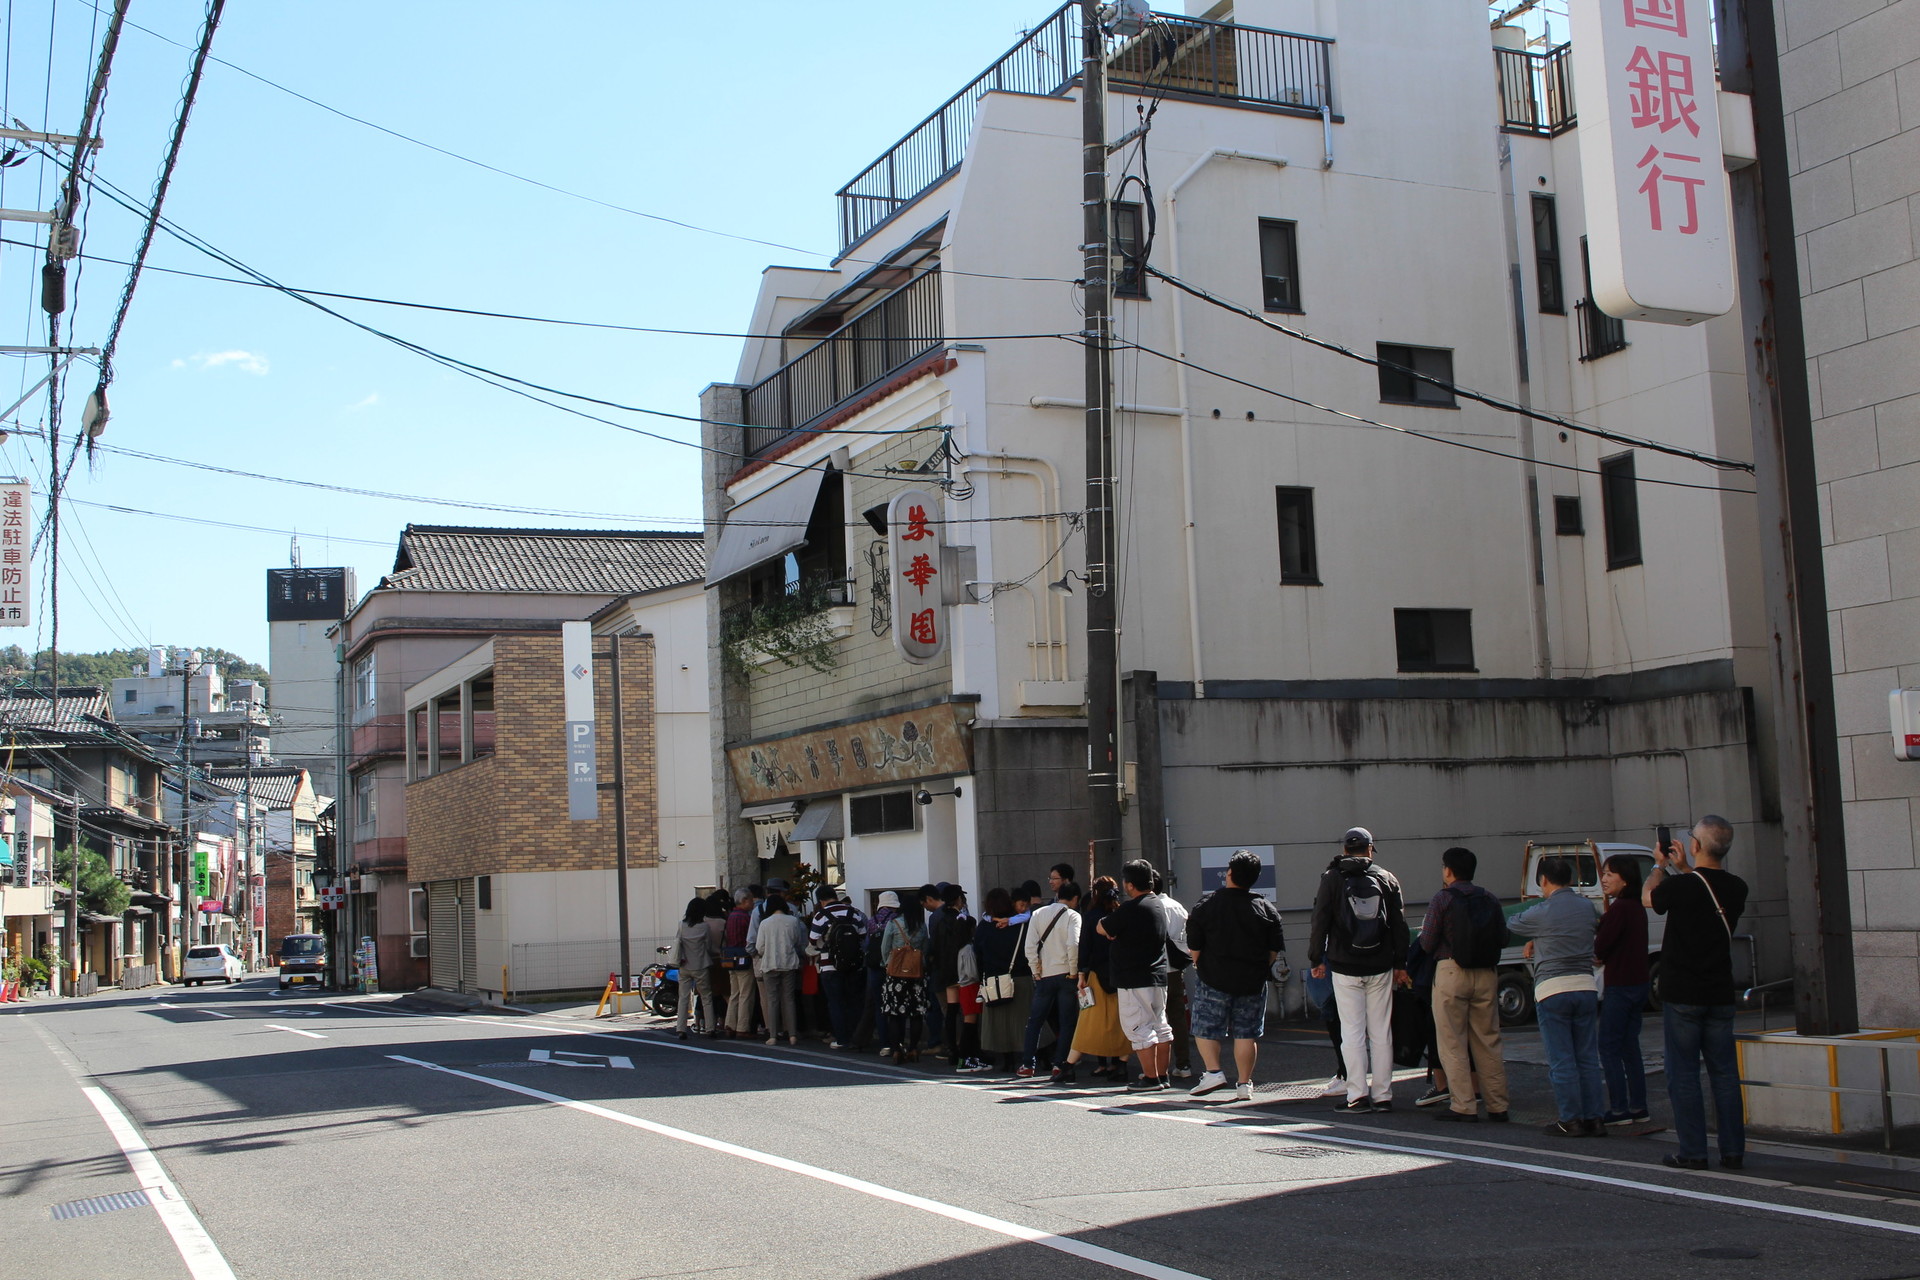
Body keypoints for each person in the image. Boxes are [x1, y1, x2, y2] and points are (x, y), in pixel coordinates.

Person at [1645, 815, 1749, 1171]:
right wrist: (1685, 868)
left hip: (1683, 991)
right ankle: (1733, 1151)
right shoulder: (1737, 887)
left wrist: (1660, 865)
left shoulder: (1681, 886)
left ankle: (1693, 1151)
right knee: (1724, 1074)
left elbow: (1650, 898)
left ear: (1696, 845)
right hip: (1719, 991)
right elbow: (1706, 890)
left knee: (1684, 1074)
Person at [1308, 827, 1411, 1113]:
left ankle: (1356, 1095)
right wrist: (1400, 963)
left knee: (1352, 1032)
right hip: (1380, 965)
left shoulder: (1331, 878)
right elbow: (1400, 926)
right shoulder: (1386, 878)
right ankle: (1383, 1095)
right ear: (1369, 849)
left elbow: (1320, 920)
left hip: (1343, 964)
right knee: (1380, 1032)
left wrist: (1316, 959)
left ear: (1344, 850)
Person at [1508, 856, 1606, 1137]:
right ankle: (1595, 1118)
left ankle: (1571, 1119)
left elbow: (1514, 923)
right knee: (1587, 1057)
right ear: (1571, 880)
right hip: (1586, 986)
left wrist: (1536, 934)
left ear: (1543, 881)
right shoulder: (1588, 907)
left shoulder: (1543, 911)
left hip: (1553, 989)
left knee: (1562, 1059)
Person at [1418, 846, 1511, 1123]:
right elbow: (1503, 937)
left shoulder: (1442, 899)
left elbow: (1427, 942)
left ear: (1448, 870)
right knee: (1488, 1040)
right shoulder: (1490, 898)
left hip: (1451, 972)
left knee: (1452, 1042)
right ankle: (1497, 1105)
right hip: (1486, 973)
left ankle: (1463, 1105)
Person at [1185, 849, 1285, 1103]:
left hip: (1214, 977)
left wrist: (1199, 965)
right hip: (1252, 980)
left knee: (1205, 1028)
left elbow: (1194, 947)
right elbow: (1273, 951)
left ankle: (1213, 1072)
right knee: (1246, 1033)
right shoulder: (1266, 908)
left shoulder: (1206, 905)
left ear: (1229, 873)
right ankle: (1244, 1084)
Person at [1099, 859, 1173, 1092]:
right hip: (1157, 975)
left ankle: (1150, 1078)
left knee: (1138, 1028)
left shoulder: (1133, 908)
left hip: (1133, 978)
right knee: (1160, 1026)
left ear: (1129, 885)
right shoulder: (1158, 904)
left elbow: (1103, 927)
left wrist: (1114, 932)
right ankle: (1161, 1075)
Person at [1595, 853, 1651, 1126]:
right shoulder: (1637, 907)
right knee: (1630, 1047)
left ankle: (1618, 1109)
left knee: (1608, 1047)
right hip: (1639, 983)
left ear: (1625, 879)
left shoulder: (1618, 910)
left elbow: (1600, 948)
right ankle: (1639, 1106)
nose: (1604, 879)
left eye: (1609, 874)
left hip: (1620, 985)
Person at [1066, 876, 1133, 1081]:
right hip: (1122, 975)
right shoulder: (1120, 913)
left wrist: (1080, 974)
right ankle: (1121, 1065)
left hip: (1096, 975)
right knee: (1122, 1022)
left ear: (1095, 893)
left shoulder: (1091, 915)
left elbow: (1084, 947)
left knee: (1089, 1022)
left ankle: (1068, 1066)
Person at [1022, 881, 1082, 1078]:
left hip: (1044, 974)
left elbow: (1029, 945)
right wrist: (1074, 970)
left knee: (1035, 1021)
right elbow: (1073, 944)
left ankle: (1028, 1064)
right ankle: (1059, 1064)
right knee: (1067, 1022)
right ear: (1075, 899)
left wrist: (1034, 969)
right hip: (1066, 974)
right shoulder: (1073, 916)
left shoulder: (1038, 914)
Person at [973, 888, 1032, 1073]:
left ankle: (1006, 1061)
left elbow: (978, 954)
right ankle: (1031, 1058)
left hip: (994, 981)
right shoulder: (1020, 923)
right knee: (1024, 1020)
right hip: (1020, 977)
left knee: (1000, 1024)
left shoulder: (984, 927)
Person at [930, 883, 986, 1071]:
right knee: (968, 1013)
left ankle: (952, 1050)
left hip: (945, 971)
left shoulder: (937, 919)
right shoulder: (964, 920)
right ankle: (968, 1053)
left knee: (952, 1012)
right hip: (963, 971)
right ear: (958, 899)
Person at [807, 885, 867, 1050]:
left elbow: (813, 939)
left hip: (829, 965)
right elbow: (862, 935)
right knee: (854, 1001)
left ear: (821, 900)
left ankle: (841, 1038)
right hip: (854, 964)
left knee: (835, 1002)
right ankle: (856, 1038)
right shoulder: (853, 912)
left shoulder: (820, 915)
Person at [1154, 870, 1195, 1080]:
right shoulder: (1178, 907)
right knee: (1177, 1017)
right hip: (1176, 969)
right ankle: (1183, 1063)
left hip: (1154, 970)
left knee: (1154, 1018)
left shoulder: (1151, 907)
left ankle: (1156, 1068)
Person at [879, 893, 929, 1061]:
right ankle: (913, 1049)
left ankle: (896, 1050)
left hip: (895, 975)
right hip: (916, 974)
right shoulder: (921, 926)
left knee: (894, 1013)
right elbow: (925, 949)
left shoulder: (894, 924)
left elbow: (885, 948)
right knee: (916, 1013)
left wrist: (888, 964)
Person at [753, 892, 806, 1047]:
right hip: (789, 963)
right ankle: (793, 1035)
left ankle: (773, 1035)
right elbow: (797, 941)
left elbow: (759, 947)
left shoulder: (765, 923)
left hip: (770, 964)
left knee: (773, 1000)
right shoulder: (793, 921)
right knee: (789, 999)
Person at [672, 896, 716, 1039]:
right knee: (706, 997)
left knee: (684, 997)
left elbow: (678, 943)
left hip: (684, 966)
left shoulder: (681, 925)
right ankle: (710, 1028)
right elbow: (708, 946)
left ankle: (681, 1029)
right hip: (701, 965)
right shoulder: (704, 927)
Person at [721, 888, 757, 1039]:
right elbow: (749, 939)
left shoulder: (730, 917)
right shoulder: (745, 918)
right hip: (744, 958)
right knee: (746, 994)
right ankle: (742, 1028)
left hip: (730, 958)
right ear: (744, 901)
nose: (752, 903)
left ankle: (730, 1025)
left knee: (734, 993)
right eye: (750, 900)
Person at [917, 884, 946, 1053]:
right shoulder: (956, 912)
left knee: (935, 1006)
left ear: (929, 899)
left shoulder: (935, 917)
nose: (925, 908)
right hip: (956, 968)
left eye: (924, 904)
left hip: (939, 968)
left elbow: (933, 944)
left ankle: (936, 1043)